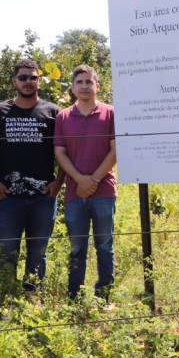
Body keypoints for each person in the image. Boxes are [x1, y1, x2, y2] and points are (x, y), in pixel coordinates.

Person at [0, 59, 64, 291]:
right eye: (23, 77)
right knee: (6, 252)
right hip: (7, 198)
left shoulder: (54, 112)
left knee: (38, 252)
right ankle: (4, 297)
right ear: (14, 81)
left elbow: (64, 150)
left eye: (33, 77)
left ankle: (31, 297)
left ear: (39, 80)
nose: (28, 82)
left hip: (44, 198)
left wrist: (59, 181)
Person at [54, 65, 117, 300]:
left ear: (97, 86)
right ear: (72, 88)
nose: (84, 86)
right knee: (77, 248)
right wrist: (80, 180)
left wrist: (93, 180)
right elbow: (60, 153)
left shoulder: (111, 113)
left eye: (88, 82)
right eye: (79, 82)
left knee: (104, 247)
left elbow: (115, 151)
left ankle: (104, 297)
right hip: (74, 193)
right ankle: (74, 299)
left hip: (104, 192)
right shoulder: (63, 116)